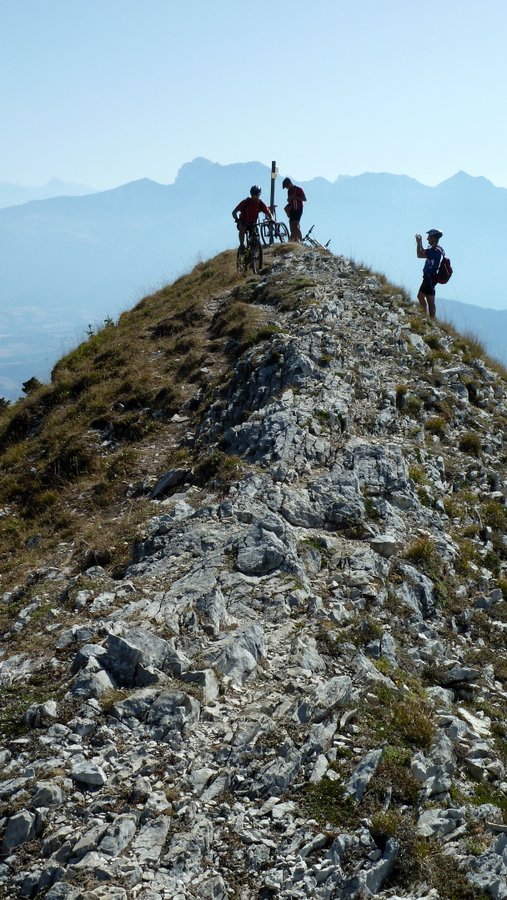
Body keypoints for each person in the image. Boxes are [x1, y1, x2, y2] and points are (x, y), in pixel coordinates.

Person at [232, 186, 273, 253]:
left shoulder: (260, 203)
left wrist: (272, 219)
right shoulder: (246, 202)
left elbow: (268, 212)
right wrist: (237, 219)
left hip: (253, 224)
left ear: (259, 194)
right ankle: (242, 245)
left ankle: (254, 255)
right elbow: (234, 212)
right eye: (253, 195)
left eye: (256, 195)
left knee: (255, 237)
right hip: (243, 222)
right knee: (243, 229)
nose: (255, 196)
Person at [415, 228, 445, 319]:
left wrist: (419, 242)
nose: (427, 239)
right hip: (431, 278)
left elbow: (419, 255)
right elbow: (423, 252)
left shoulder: (434, 251)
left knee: (421, 297)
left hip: (429, 278)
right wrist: (420, 244)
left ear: (433, 239)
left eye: (429, 237)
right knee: (430, 301)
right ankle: (430, 319)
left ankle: (425, 318)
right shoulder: (438, 249)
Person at [282, 177, 306, 241]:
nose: (286, 188)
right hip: (292, 209)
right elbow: (289, 201)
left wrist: (296, 197)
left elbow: (304, 199)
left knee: (296, 225)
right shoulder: (289, 191)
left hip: (298, 209)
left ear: (289, 184)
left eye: (286, 186)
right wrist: (289, 199)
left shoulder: (298, 189)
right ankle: (294, 240)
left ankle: (301, 240)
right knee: (292, 227)